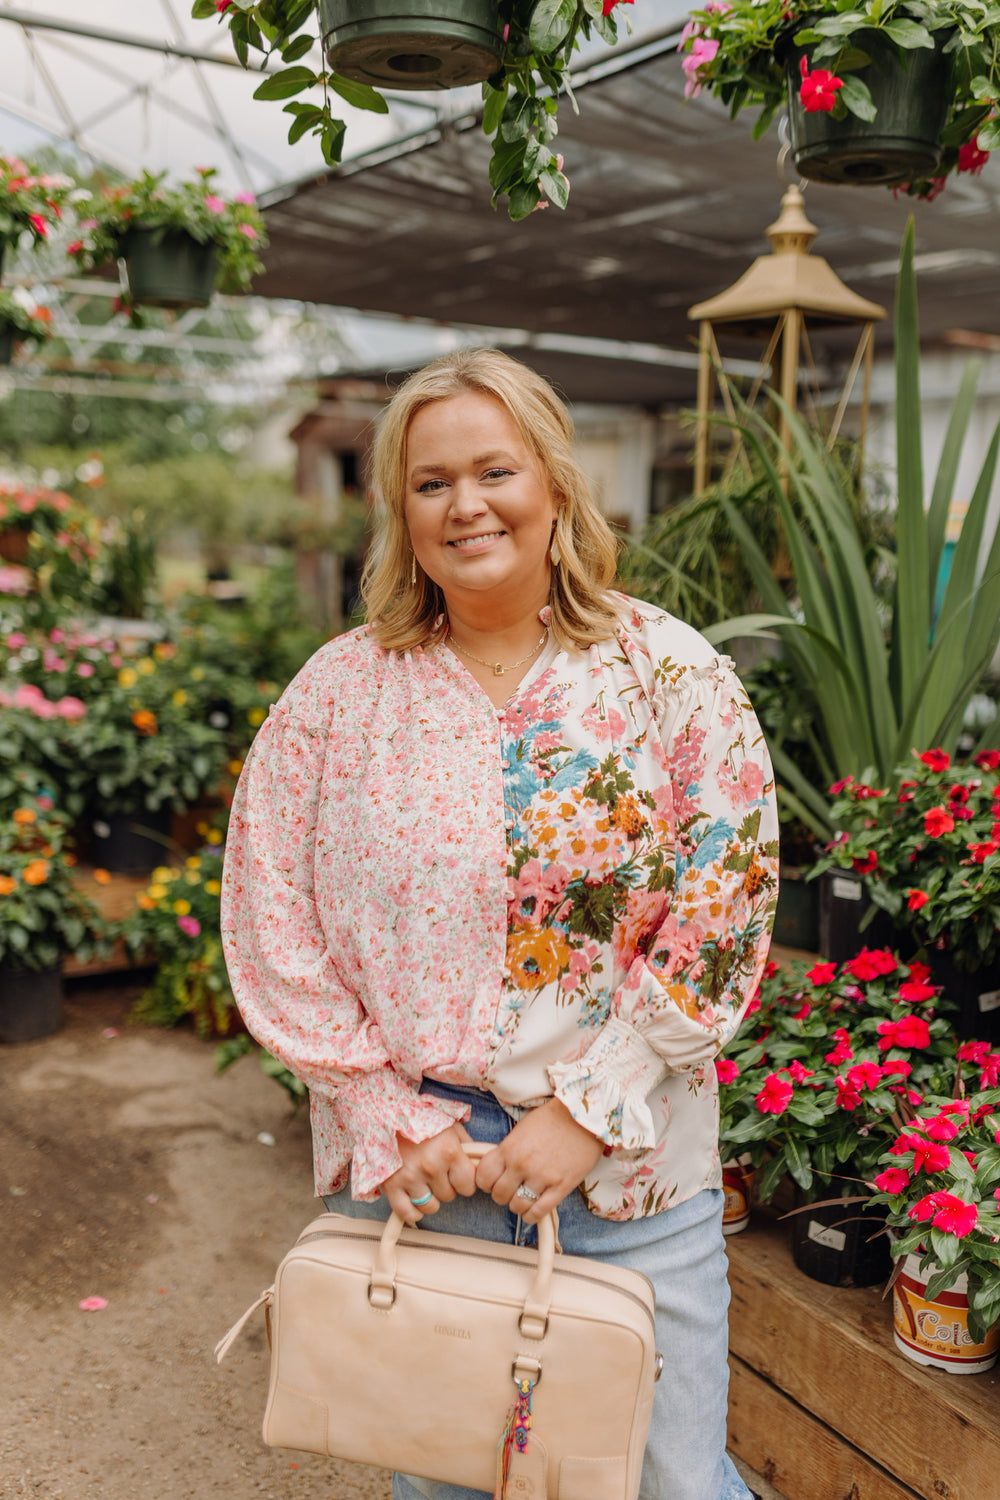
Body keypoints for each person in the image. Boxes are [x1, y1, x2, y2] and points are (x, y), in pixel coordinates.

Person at [221, 348, 778, 1500]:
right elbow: (272, 910)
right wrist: (383, 1113)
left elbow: (726, 901)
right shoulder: (339, 695)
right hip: (420, 1181)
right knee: (448, 1477)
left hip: (627, 1180)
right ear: (400, 511)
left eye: (494, 470)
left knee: (665, 1480)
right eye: (430, 483)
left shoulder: (668, 675)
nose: (464, 504)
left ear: (555, 486)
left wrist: (591, 1108)